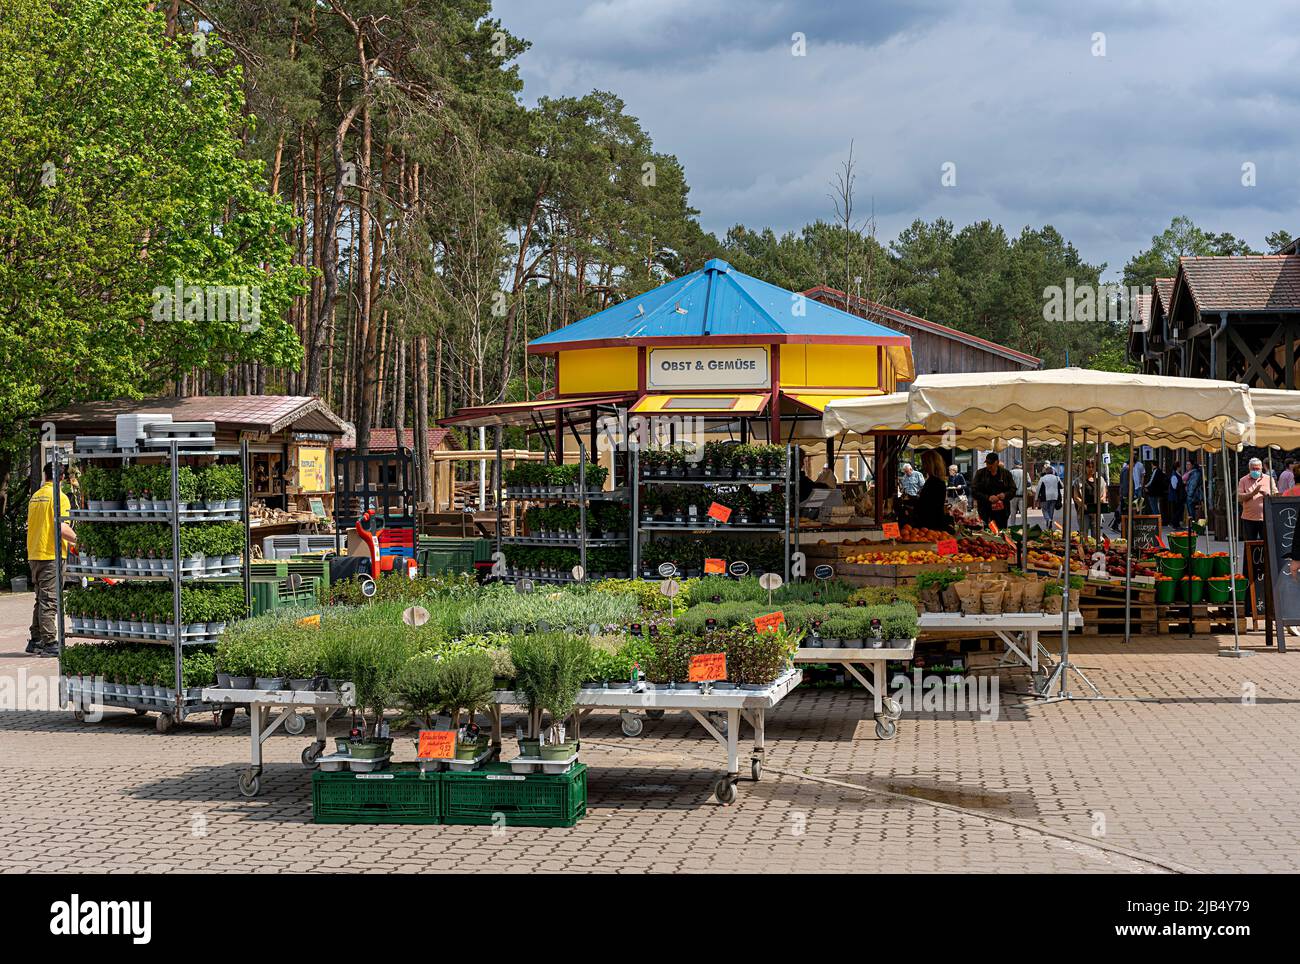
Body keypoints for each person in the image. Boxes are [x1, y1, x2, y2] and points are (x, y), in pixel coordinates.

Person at [26, 462, 77, 657]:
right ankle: (49, 642)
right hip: (51, 554)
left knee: (41, 598)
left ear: (46, 475)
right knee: (50, 600)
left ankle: (35, 639)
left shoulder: (36, 496)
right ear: (62, 478)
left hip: (35, 552)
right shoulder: (59, 497)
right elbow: (61, 527)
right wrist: (79, 542)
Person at [972, 452, 1016, 530]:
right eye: (987, 463)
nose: (989, 465)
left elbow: (1013, 489)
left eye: (991, 463)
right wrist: (987, 498)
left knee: (1001, 533)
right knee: (986, 534)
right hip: (985, 512)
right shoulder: (980, 473)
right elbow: (974, 491)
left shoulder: (1006, 473)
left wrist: (1004, 495)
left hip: (1002, 513)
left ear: (997, 462)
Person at [913, 450, 954, 532]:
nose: (922, 465)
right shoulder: (935, 480)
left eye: (923, 462)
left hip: (932, 526)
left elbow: (930, 506)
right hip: (932, 524)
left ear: (929, 464)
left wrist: (915, 502)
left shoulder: (935, 482)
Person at [1237, 457, 1275, 543]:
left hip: (1265, 518)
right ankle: (1251, 557)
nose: (1255, 471)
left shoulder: (1269, 479)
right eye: (1253, 469)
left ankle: (1263, 557)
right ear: (1249, 469)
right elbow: (1239, 498)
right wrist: (1252, 493)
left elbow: (1276, 495)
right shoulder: (1243, 480)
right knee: (1250, 544)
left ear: (1262, 468)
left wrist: (1267, 495)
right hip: (1249, 518)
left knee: (1266, 544)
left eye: (1257, 469)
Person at [1072, 458, 1102, 544]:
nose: (1091, 469)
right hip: (1083, 511)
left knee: (1096, 536)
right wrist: (1084, 505)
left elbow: (1103, 493)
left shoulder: (1099, 480)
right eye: (1089, 466)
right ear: (1085, 467)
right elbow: (1076, 497)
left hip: (1096, 512)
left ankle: (1096, 553)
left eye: (1093, 467)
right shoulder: (1078, 481)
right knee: (1083, 535)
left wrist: (1100, 502)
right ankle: (1084, 552)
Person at [1037, 464, 1063, 531]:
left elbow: (1038, 489)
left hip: (1044, 497)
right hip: (1054, 497)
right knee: (1051, 510)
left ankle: (1048, 520)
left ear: (1046, 472)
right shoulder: (1057, 478)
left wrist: (1036, 498)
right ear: (1052, 472)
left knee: (1045, 510)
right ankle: (1049, 523)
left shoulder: (1042, 478)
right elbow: (1062, 486)